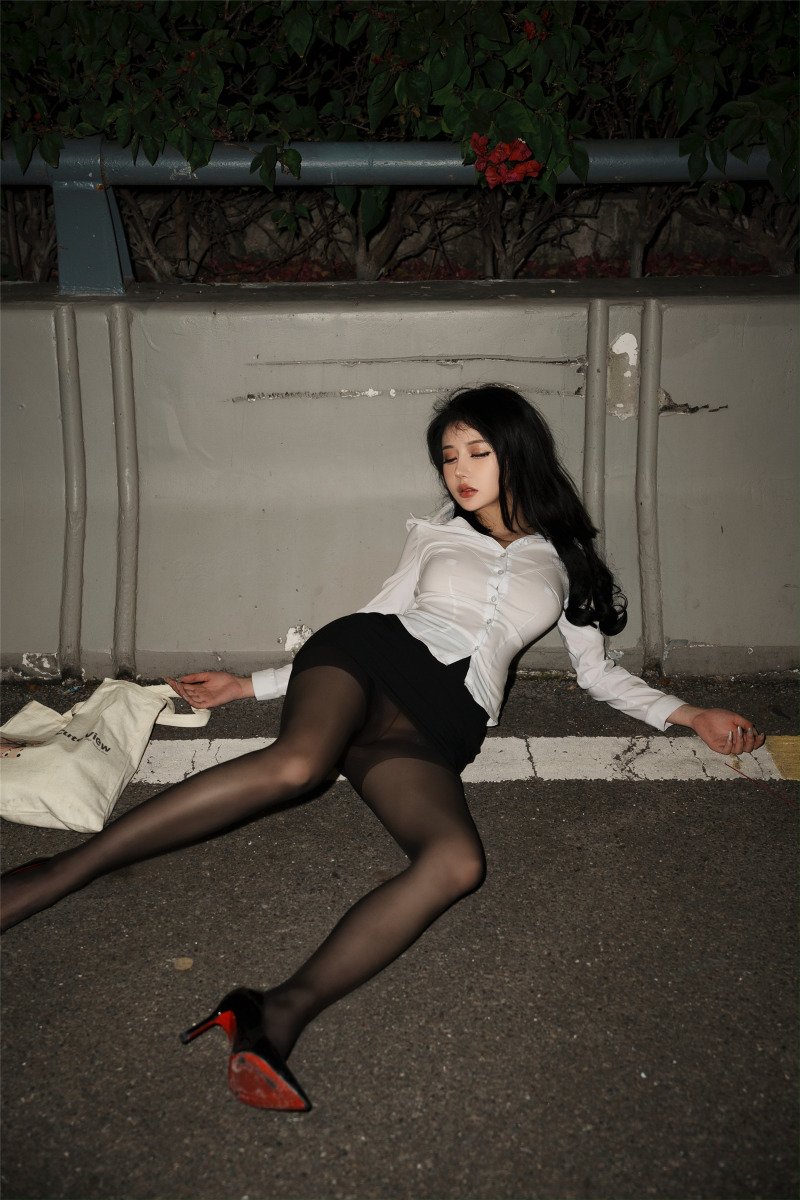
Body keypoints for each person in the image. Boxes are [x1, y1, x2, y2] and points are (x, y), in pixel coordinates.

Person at [0, 385, 764, 1112]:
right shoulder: (437, 534)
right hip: (369, 658)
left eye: (477, 452)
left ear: (517, 452)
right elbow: (378, 610)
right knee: (298, 766)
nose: (459, 470)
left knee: (456, 863)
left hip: (446, 719)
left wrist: (690, 713)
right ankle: (61, 871)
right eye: (448, 456)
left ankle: (274, 1012)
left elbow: (596, 674)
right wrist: (250, 686)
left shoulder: (566, 560)